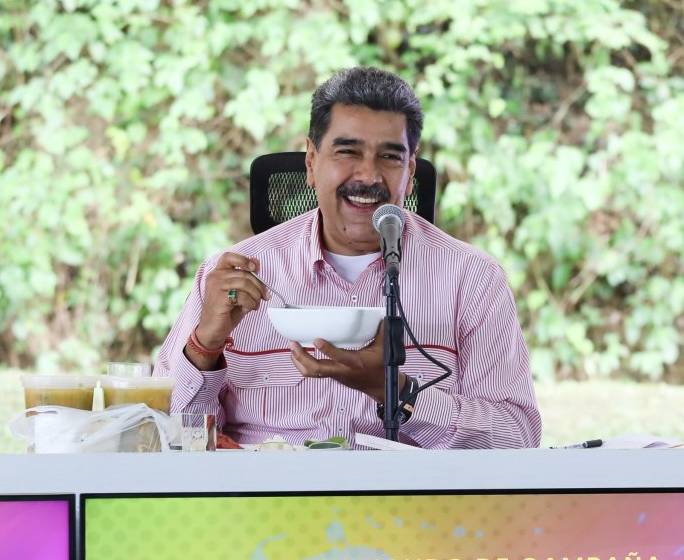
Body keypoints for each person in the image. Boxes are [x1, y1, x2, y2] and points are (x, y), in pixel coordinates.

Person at [156, 67, 542, 449]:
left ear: (410, 170)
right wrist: (205, 346)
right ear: (311, 161)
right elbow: (165, 436)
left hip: (407, 506)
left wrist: (395, 391)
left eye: (390, 157)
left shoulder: (472, 279)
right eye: (348, 151)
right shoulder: (235, 272)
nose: (369, 175)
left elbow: (516, 438)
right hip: (268, 504)